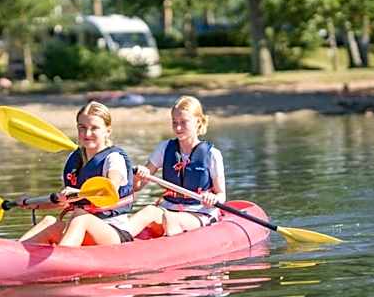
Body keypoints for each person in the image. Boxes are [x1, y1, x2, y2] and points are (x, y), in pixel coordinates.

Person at [19, 101, 135, 247]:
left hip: (115, 233)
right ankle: (13, 254)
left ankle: (62, 258)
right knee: (49, 221)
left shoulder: (114, 159)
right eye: (82, 128)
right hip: (80, 226)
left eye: (94, 128)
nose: (87, 134)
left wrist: (80, 192)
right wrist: (34, 204)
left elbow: (110, 189)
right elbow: (67, 202)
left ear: (108, 131)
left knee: (81, 216)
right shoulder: (76, 160)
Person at [127, 95, 226, 238]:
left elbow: (221, 195)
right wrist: (138, 176)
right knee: (149, 210)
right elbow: (137, 186)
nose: (178, 128)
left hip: (199, 212)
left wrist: (213, 198)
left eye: (184, 122)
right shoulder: (164, 148)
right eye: (174, 122)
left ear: (198, 122)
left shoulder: (212, 155)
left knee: (171, 220)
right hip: (169, 208)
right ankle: (118, 239)